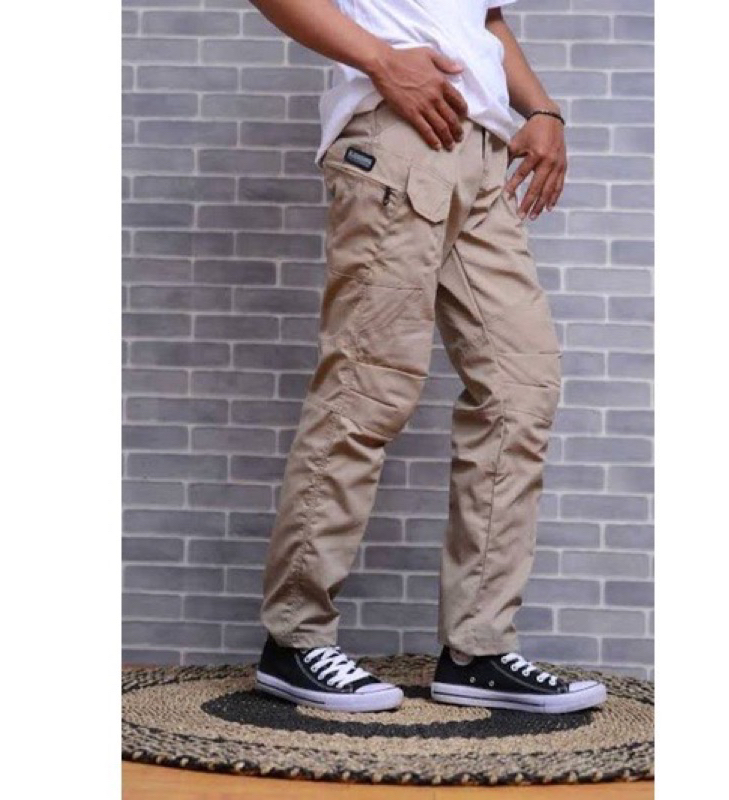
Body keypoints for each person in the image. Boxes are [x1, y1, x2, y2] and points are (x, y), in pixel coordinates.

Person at [248, 0, 607, 715]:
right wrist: (381, 60)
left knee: (522, 388)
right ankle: (295, 639)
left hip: (484, 152)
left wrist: (542, 110)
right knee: (367, 386)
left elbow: (486, 17)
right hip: (398, 133)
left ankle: (478, 650)